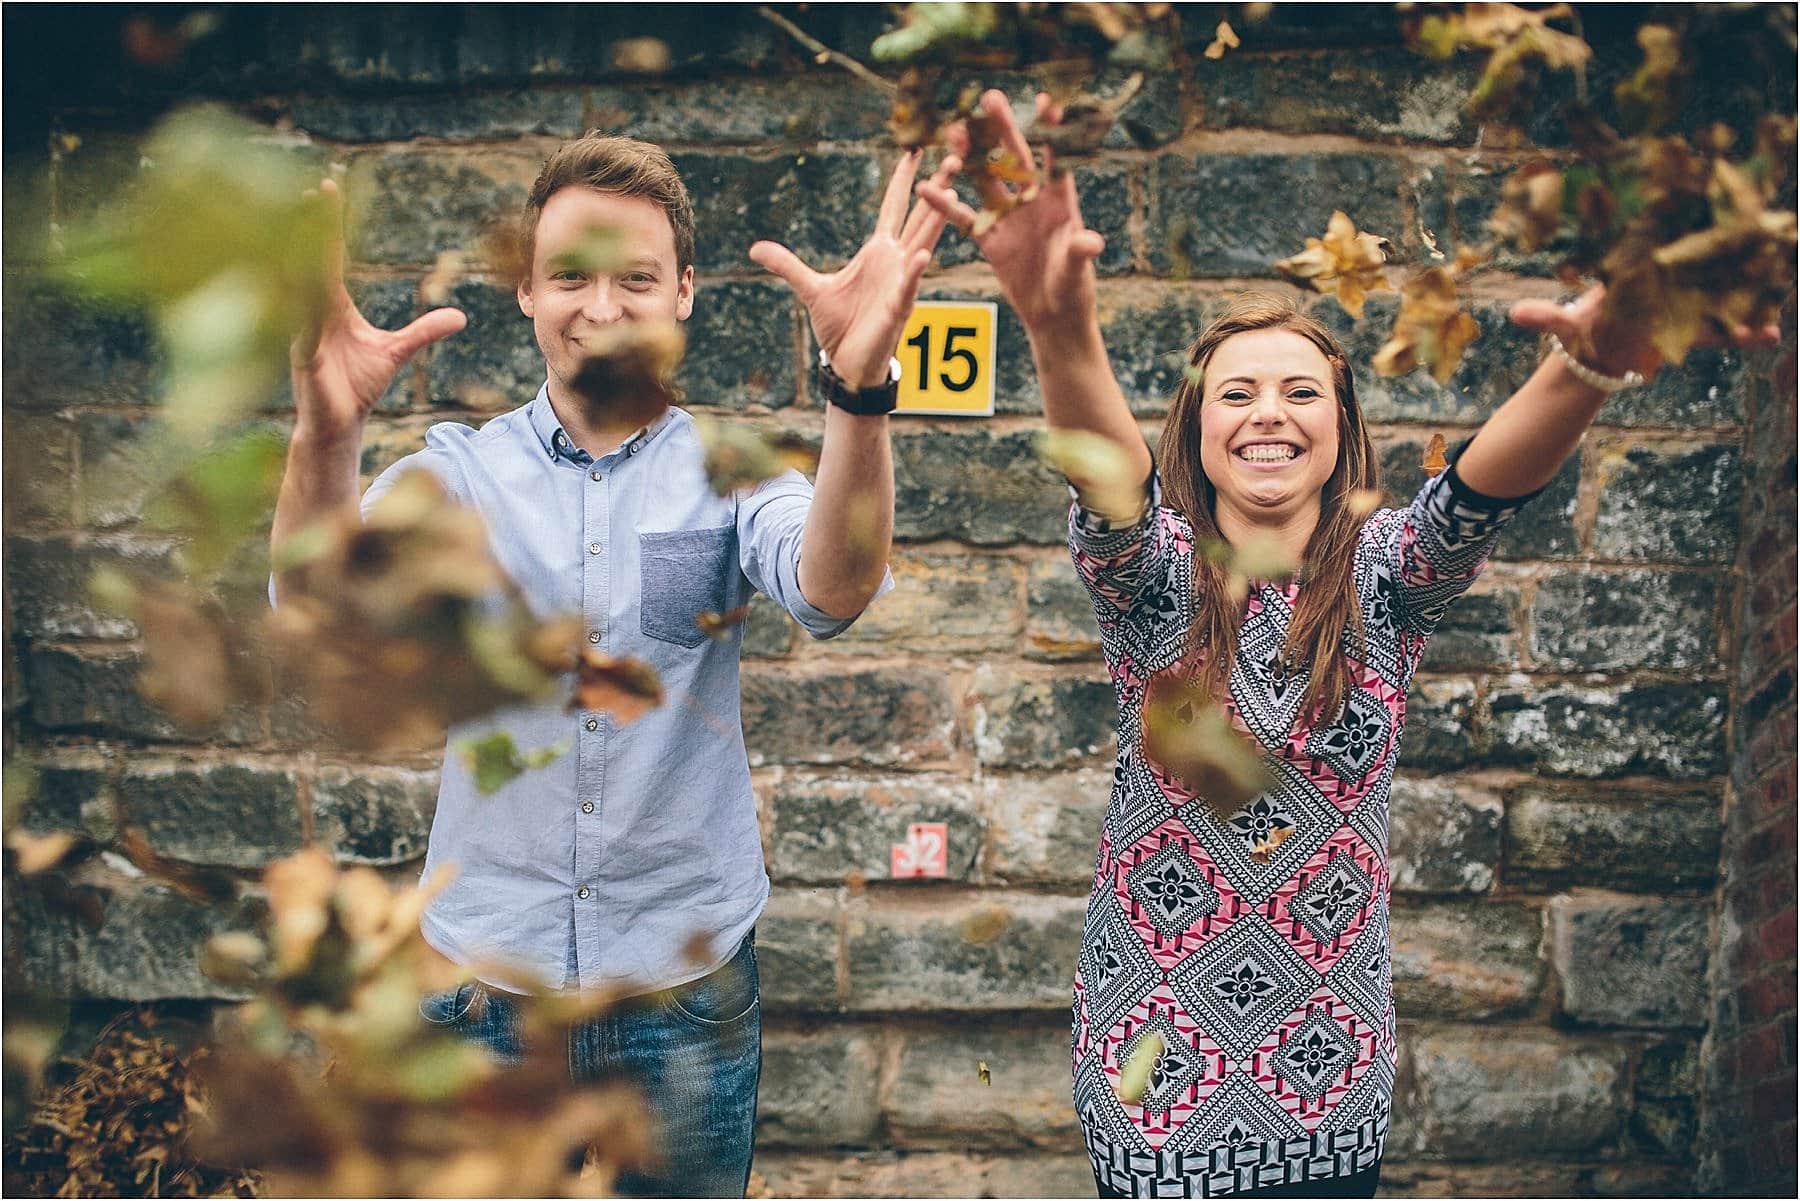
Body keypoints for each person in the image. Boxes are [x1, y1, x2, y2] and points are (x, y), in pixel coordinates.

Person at [915, 90, 1778, 1199]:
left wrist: (1584, 367)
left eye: (1299, 391)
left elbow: (1482, 486)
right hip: (1155, 1061)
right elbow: (1110, 481)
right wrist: (1056, 325)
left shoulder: (1390, 574)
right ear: (1197, 428)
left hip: (1328, 1069)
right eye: (1236, 391)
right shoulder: (1158, 579)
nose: (1267, 412)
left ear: (1338, 428)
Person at [269, 135, 952, 1197]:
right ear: (527, 291)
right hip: (481, 985)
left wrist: (858, 393)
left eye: (635, 276)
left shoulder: (732, 476)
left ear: (682, 291)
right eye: (572, 275)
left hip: (680, 988)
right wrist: (324, 435)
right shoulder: (459, 475)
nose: (603, 303)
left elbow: (834, 586)